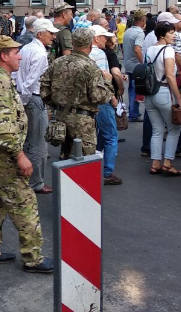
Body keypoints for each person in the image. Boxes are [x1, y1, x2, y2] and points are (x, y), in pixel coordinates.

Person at [0, 36, 53, 273]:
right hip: (4, 156)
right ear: (4, 56)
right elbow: (5, 127)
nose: (20, 56)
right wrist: (20, 155)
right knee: (25, 204)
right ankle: (33, 258)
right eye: (15, 52)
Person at [41, 28, 114, 158]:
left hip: (61, 116)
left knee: (66, 158)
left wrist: (56, 104)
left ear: (73, 44)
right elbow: (99, 97)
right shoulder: (91, 67)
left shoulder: (58, 62)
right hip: (83, 120)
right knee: (84, 160)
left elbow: (44, 87)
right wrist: (108, 82)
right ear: (91, 45)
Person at [14, 19, 59, 193]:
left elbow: (18, 75)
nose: (53, 37)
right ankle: (36, 182)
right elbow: (31, 81)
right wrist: (25, 100)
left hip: (27, 97)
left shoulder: (26, 49)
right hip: (33, 97)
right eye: (51, 33)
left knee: (28, 140)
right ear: (40, 34)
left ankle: (26, 178)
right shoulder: (39, 54)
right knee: (38, 143)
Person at [144, 22, 181, 177]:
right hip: (164, 91)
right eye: (171, 33)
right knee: (174, 129)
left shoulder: (150, 49)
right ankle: (167, 163)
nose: (174, 35)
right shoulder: (168, 50)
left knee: (157, 130)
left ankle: (155, 163)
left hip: (150, 92)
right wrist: (179, 98)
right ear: (162, 35)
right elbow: (170, 75)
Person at [88, 25, 123, 184]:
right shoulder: (100, 54)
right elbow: (104, 79)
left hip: (86, 99)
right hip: (102, 99)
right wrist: (113, 96)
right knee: (111, 135)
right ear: (96, 38)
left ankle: (95, 162)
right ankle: (106, 172)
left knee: (100, 133)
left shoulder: (83, 54)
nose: (106, 39)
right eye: (104, 37)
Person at [122, 10, 146, 121]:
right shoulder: (139, 33)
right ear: (142, 20)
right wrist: (143, 63)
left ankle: (132, 111)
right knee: (136, 89)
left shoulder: (128, 31)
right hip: (136, 65)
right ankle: (133, 113)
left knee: (132, 89)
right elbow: (137, 49)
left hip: (128, 63)